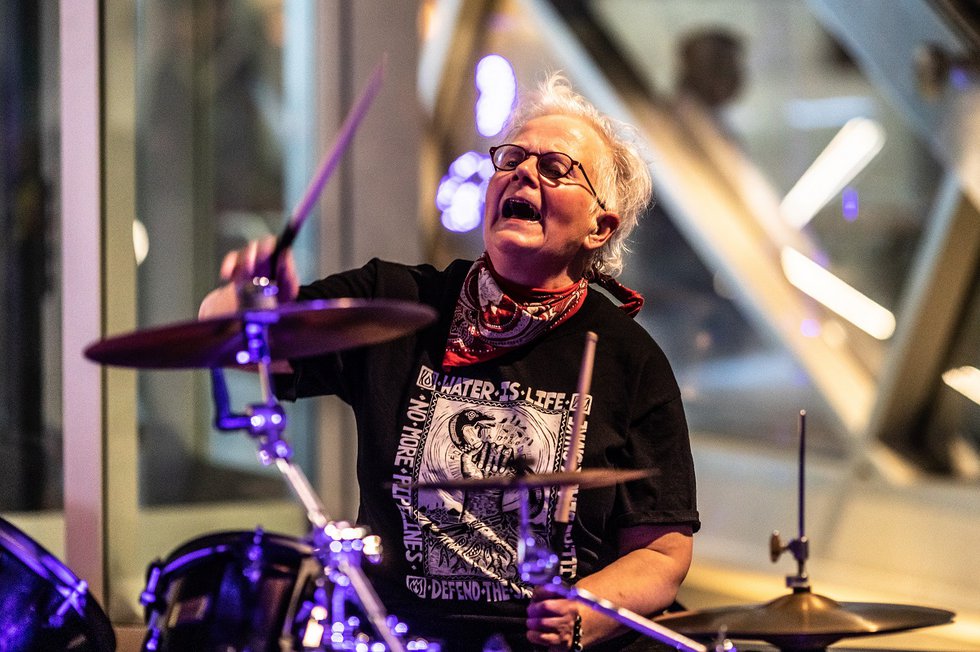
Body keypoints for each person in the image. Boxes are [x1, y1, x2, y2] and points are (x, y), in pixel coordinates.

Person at [200, 73, 700, 651]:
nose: (522, 172)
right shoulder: (398, 303)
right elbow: (225, 337)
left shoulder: (630, 359)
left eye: (556, 168)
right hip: (396, 637)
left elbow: (663, 551)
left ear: (600, 225)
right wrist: (254, 298)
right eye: (512, 158)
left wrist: (587, 612)